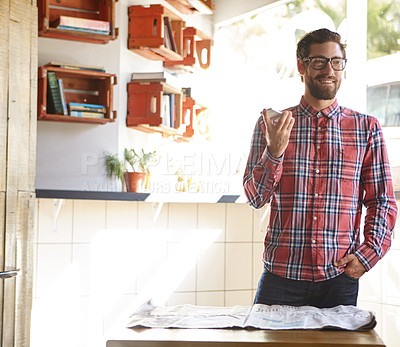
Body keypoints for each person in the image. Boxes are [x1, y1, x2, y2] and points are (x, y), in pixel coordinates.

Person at [243, 28, 398, 308]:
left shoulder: (366, 129)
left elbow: (382, 201)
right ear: (302, 66)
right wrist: (275, 152)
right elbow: (255, 198)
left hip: (338, 280)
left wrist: (367, 255)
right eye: (319, 62)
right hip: (280, 277)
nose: (329, 69)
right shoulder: (272, 125)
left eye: (336, 62)